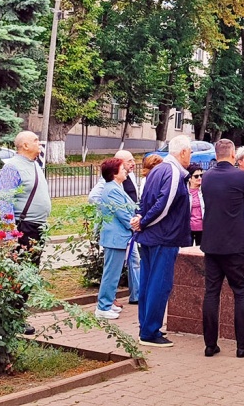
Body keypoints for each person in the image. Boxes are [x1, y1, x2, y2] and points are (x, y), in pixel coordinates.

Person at [130, 135, 193, 347]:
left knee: (148, 282)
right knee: (160, 283)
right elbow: (163, 205)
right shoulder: (173, 171)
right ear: (183, 152)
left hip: (152, 236)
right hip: (164, 237)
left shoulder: (157, 170)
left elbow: (146, 200)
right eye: (190, 152)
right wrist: (143, 221)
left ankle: (146, 326)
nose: (190, 156)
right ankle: (150, 332)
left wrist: (141, 219)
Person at [200, 139, 244, 358]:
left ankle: (210, 345)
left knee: (211, 293)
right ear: (233, 155)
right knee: (241, 292)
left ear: (216, 155)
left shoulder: (207, 177)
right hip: (235, 245)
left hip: (211, 244)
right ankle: (243, 346)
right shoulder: (240, 176)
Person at [0, 130, 51, 335]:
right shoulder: (12, 167)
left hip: (37, 227)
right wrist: (11, 233)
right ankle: (13, 317)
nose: (40, 144)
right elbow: (5, 201)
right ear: (25, 145)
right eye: (36, 141)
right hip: (22, 229)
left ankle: (17, 314)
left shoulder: (35, 164)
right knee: (19, 274)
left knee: (29, 273)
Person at [88, 150, 142, 305]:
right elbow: (95, 198)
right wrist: (109, 212)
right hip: (117, 232)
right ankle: (106, 304)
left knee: (131, 262)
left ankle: (135, 295)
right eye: (129, 161)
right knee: (112, 271)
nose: (132, 164)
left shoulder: (128, 177)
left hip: (125, 232)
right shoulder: (109, 185)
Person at [187, 163, 206, 246]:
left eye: (201, 175)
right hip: (188, 228)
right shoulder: (184, 192)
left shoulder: (205, 190)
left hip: (202, 228)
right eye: (196, 176)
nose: (199, 178)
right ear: (190, 178)